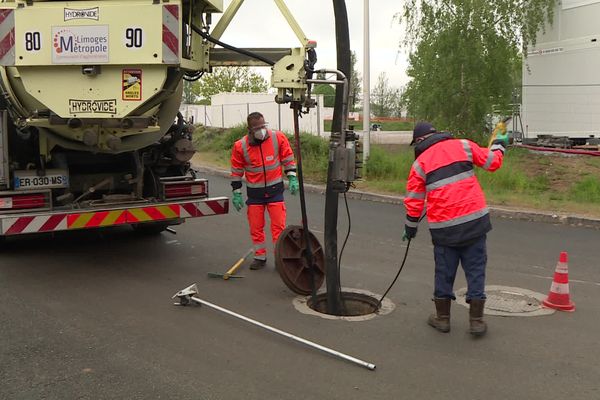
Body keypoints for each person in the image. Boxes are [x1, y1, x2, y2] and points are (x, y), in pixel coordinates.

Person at [403, 121, 508, 336]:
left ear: (420, 141)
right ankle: (476, 322)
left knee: (444, 272)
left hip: (444, 229)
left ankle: (442, 319)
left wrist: (410, 227)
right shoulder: (464, 145)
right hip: (474, 224)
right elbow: (493, 162)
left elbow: (414, 200)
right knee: (476, 271)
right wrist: (499, 144)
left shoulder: (420, 164)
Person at [230, 112, 299, 270]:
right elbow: (236, 171)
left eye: (263, 126)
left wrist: (292, 177)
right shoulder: (241, 146)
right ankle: (259, 257)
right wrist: (237, 193)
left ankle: (280, 258)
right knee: (256, 227)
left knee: (278, 228)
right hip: (255, 195)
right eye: (257, 128)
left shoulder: (277, 138)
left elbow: (288, 158)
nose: (261, 130)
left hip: (275, 192)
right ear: (250, 129)